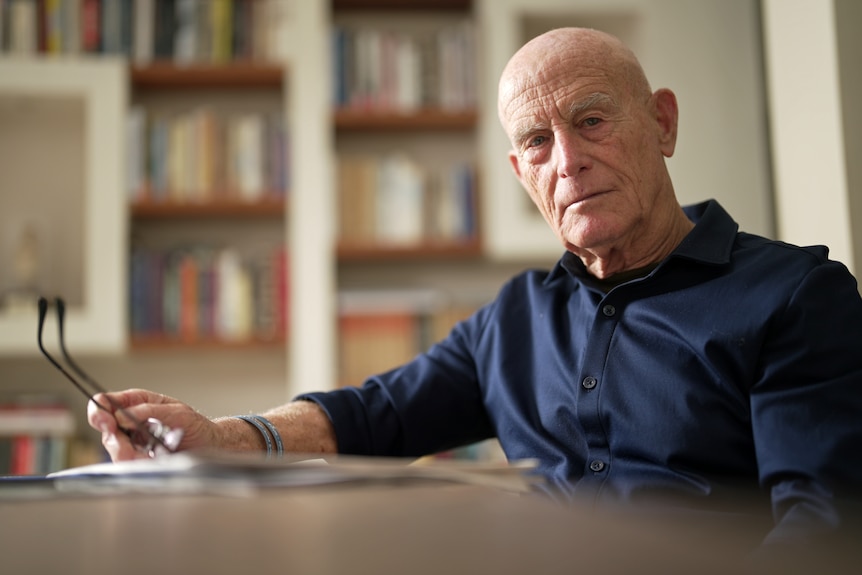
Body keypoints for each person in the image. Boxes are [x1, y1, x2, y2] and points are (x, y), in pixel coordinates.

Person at [89, 28, 862, 548]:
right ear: (520, 171)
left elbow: (822, 534)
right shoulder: (515, 318)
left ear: (661, 124)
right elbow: (374, 415)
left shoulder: (796, 296)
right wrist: (222, 438)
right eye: (536, 141)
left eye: (592, 121)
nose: (567, 159)